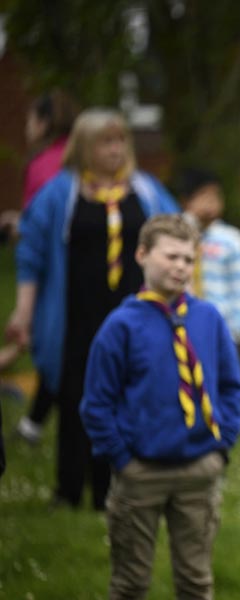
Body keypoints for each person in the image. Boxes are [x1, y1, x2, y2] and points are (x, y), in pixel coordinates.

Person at [7, 108, 178, 509]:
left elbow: (176, 236)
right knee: (74, 399)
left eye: (121, 140)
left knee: (124, 397)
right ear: (84, 146)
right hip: (75, 316)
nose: (116, 149)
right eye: (106, 141)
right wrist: (23, 311)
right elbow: (31, 254)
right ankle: (68, 491)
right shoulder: (60, 193)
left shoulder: (146, 191)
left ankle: (110, 491)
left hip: (134, 316)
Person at [80, 214, 240, 598]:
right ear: (141, 254)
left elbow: (231, 386)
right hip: (141, 471)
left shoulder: (208, 318)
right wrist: (122, 459)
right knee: (130, 582)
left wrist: (222, 445)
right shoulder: (120, 326)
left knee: (196, 581)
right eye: (171, 257)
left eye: (188, 259)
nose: (181, 267)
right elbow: (96, 403)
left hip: (199, 469)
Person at [10, 90, 79, 445]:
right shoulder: (74, 160)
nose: (26, 126)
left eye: (30, 118)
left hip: (57, 277)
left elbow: (37, 231)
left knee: (54, 347)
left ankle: (38, 425)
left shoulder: (43, 166)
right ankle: (35, 423)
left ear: (44, 122)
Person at [173, 168, 240, 346]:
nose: (211, 201)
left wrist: (236, 331)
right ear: (186, 200)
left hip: (220, 330)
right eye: (203, 195)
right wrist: (191, 220)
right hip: (179, 327)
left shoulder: (232, 239)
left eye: (215, 195)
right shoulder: (174, 233)